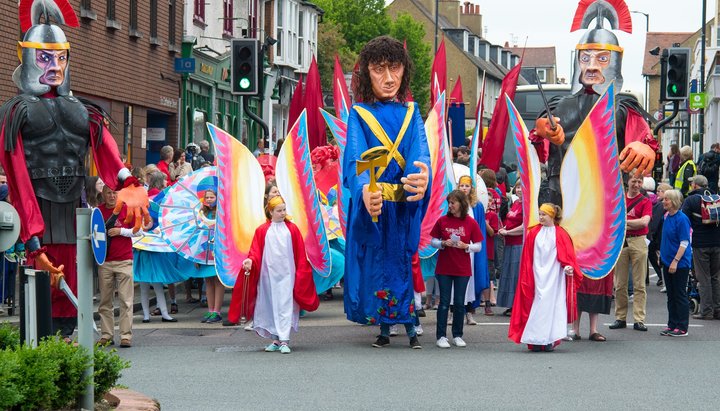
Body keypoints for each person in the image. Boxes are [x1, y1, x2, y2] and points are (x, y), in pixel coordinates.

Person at [0, 4, 146, 341]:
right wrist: (33, 239)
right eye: (45, 58)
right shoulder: (17, 112)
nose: (55, 67)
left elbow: (106, 148)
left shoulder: (83, 111)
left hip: (74, 211)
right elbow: (18, 174)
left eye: (60, 58)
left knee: (72, 296)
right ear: (27, 57)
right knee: (41, 297)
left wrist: (128, 182)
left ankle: (67, 352)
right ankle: (45, 357)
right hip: (39, 211)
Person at [343, 36, 430, 349]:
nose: (389, 78)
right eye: (380, 69)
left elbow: (421, 153)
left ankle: (408, 327)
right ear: (368, 73)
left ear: (404, 71)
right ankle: (383, 328)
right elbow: (356, 156)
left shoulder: (411, 112)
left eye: (395, 68)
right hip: (377, 208)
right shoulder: (360, 113)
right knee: (379, 268)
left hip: (402, 209)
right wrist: (364, 187)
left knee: (402, 267)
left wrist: (423, 177)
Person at [243, 196, 319, 353]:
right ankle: (275, 339)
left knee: (285, 305)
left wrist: (301, 272)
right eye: (279, 210)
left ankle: (285, 340)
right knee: (270, 306)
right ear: (270, 212)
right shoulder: (262, 230)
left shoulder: (292, 229)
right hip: (267, 276)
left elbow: (299, 253)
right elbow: (255, 251)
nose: (283, 213)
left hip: (287, 275)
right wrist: (250, 261)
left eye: (284, 209)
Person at [508, 204, 582, 352]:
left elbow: (568, 256)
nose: (540, 217)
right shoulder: (534, 232)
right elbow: (528, 257)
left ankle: (548, 339)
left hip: (554, 277)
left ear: (552, 216)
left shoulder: (561, 234)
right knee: (536, 305)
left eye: (544, 215)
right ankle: (534, 339)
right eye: (540, 214)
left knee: (552, 307)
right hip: (536, 275)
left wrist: (568, 267)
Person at [430, 190, 482, 348]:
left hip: (462, 268)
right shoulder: (442, 221)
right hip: (444, 267)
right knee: (444, 302)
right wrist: (442, 243)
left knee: (459, 303)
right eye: (449, 203)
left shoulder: (470, 222)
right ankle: (441, 336)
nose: (450, 205)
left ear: (461, 204)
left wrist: (467, 246)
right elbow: (432, 241)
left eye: (453, 202)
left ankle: (457, 335)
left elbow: (479, 246)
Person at [224, 183, 280, 329]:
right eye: (274, 191)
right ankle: (251, 317)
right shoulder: (257, 211)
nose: (277, 194)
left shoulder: (280, 210)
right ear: (266, 195)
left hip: (274, 253)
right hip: (256, 251)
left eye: (278, 192)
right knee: (254, 287)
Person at [610, 176, 652, 332]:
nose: (637, 184)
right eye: (634, 181)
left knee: (639, 283)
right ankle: (620, 317)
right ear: (628, 182)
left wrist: (623, 222)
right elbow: (612, 218)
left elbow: (644, 222)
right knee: (620, 283)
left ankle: (639, 319)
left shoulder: (645, 200)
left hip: (638, 240)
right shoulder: (619, 198)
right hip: (622, 241)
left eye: (640, 182)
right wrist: (632, 222)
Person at [97, 185, 137, 347]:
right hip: (104, 262)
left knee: (126, 300)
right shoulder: (98, 212)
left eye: (114, 193)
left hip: (124, 260)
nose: (112, 196)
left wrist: (121, 232)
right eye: (109, 193)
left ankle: (125, 335)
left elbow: (138, 231)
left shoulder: (127, 209)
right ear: (103, 194)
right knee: (105, 301)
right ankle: (106, 334)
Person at [681, 175, 720, 320]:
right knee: (716, 277)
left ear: (695, 186)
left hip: (700, 244)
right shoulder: (717, 198)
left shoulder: (691, 200)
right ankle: (718, 309)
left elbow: (684, 220)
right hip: (717, 243)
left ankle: (706, 311)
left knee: (703, 278)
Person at [456, 175, 490, 322]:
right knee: (455, 280)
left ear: (471, 188)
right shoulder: (453, 203)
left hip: (471, 248)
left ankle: (469, 312)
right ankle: (454, 312)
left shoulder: (477, 206)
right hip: (456, 247)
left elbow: (480, 229)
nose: (464, 188)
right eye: (462, 185)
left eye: (467, 186)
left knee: (471, 279)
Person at [659, 189, 692, 337]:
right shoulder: (666, 216)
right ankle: (672, 324)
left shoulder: (682, 219)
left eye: (667, 199)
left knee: (679, 294)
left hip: (679, 263)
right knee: (671, 295)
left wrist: (675, 261)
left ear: (674, 202)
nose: (664, 201)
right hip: (667, 261)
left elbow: (684, 242)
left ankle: (682, 326)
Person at [497, 182, 524, 316]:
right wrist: (504, 229)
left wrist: (508, 232)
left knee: (516, 275)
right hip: (509, 243)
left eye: (522, 187)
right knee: (508, 274)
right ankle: (510, 304)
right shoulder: (516, 203)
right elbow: (510, 221)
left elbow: (524, 227)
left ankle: (517, 305)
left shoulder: (528, 205)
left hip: (519, 244)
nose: (519, 190)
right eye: (518, 187)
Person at [197, 189, 223, 323]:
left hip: (217, 250)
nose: (208, 199)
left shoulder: (221, 212)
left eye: (212, 197)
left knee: (218, 281)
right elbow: (197, 232)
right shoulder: (202, 213)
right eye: (206, 197)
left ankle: (217, 311)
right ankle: (210, 310)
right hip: (205, 251)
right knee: (208, 281)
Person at [649, 183, 673, 289]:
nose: (657, 193)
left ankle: (663, 279)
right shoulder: (661, 204)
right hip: (661, 235)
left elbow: (655, 221)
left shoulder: (660, 205)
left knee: (658, 257)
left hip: (658, 236)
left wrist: (651, 234)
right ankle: (663, 279)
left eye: (660, 191)